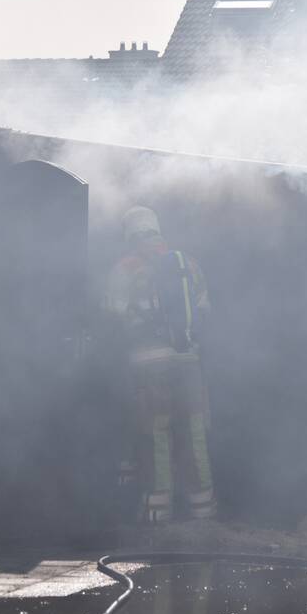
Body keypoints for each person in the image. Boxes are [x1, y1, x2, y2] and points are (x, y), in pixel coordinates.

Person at [104, 206, 217, 523]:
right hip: (189, 361)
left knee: (157, 433)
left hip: (148, 364)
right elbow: (205, 310)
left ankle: (158, 511)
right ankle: (204, 511)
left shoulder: (125, 268)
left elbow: (113, 313)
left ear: (129, 234)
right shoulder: (189, 264)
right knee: (193, 432)